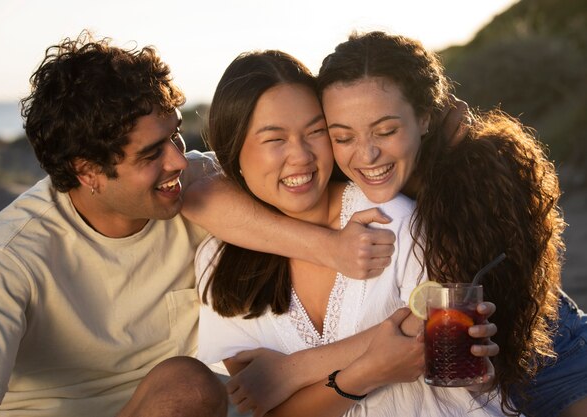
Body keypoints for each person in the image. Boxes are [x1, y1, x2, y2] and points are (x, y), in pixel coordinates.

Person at [0, 32, 401, 417]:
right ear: (87, 172)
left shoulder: (191, 194)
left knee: (186, 388)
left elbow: (317, 169)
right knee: (186, 386)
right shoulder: (11, 256)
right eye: (151, 154)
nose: (178, 160)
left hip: (172, 405)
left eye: (175, 135)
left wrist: (443, 136)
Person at [199, 31, 587, 417]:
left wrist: (292, 370)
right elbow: (198, 194)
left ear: (424, 118)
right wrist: (327, 247)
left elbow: (428, 334)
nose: (366, 154)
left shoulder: (461, 190)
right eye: (341, 135)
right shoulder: (238, 242)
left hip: (550, 350)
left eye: (386, 131)